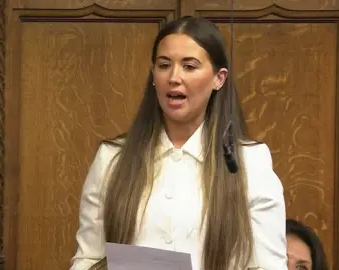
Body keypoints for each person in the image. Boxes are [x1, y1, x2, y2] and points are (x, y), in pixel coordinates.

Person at [70, 15, 287, 270]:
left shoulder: (250, 161)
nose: (174, 77)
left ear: (219, 78)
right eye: (164, 65)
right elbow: (88, 259)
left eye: (189, 66)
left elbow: (269, 266)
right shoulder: (112, 157)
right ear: (153, 75)